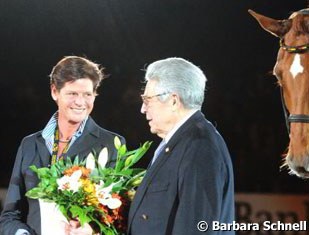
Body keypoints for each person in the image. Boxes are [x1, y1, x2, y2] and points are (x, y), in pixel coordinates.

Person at [0, 56, 125, 235]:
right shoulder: (29, 145)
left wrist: (92, 230)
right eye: (72, 93)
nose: (80, 102)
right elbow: (10, 215)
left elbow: (119, 216)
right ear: (54, 92)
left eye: (87, 94)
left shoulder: (111, 145)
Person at [128, 57, 235, 235]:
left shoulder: (199, 146)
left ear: (174, 101)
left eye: (147, 100)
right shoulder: (181, 142)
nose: (143, 109)